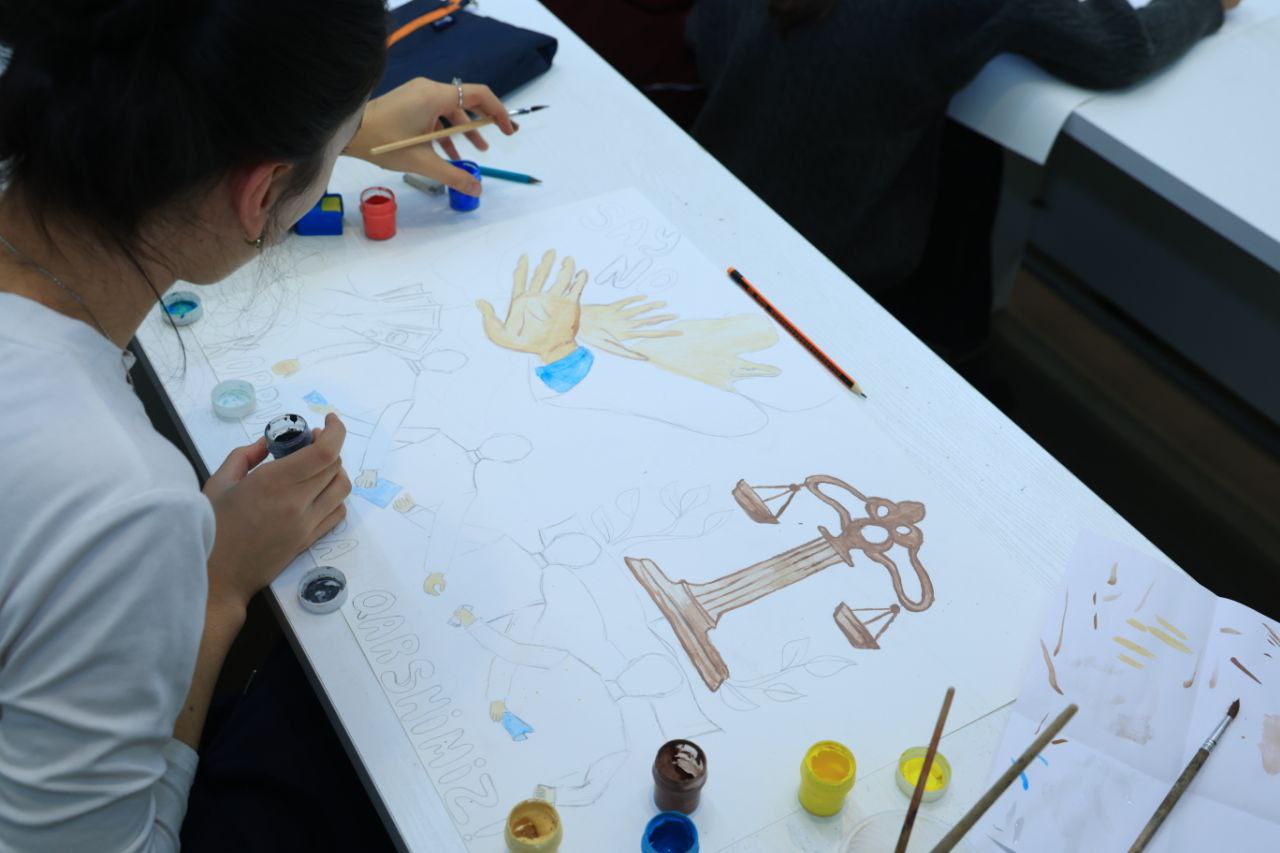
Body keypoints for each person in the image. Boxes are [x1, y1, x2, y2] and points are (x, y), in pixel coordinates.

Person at [0, 1, 519, 850]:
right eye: (337, 149)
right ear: (262, 192)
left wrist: (340, 131)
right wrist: (214, 586)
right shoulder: (124, 507)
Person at [687, 0, 1239, 355]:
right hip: (837, 261)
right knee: (976, 165)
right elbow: (1122, 49)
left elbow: (702, 30)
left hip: (716, 191)